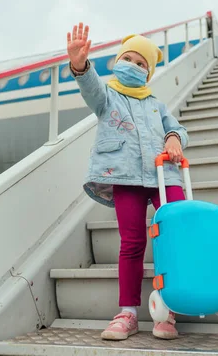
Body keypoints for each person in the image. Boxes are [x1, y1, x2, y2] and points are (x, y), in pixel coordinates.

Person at [67, 22, 189, 340]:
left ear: (148, 73)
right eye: (129, 59)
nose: (133, 66)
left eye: (141, 64)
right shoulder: (107, 98)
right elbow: (89, 87)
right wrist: (79, 65)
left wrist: (174, 138)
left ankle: (168, 309)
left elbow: (177, 128)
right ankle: (128, 313)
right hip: (123, 175)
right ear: (118, 61)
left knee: (174, 235)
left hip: (164, 175)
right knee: (132, 242)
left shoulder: (156, 105)